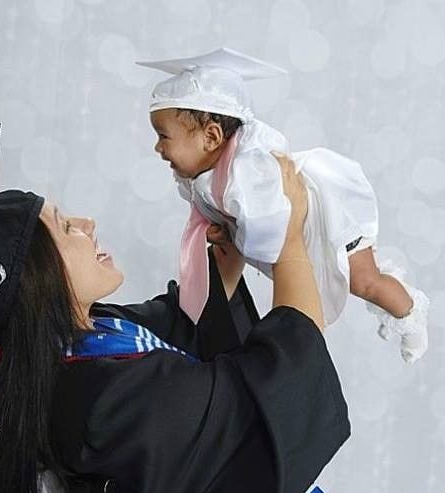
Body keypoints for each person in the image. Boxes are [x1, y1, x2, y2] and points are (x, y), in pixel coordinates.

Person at [0, 126, 349, 493]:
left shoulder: (85, 342)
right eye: (65, 227)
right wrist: (291, 241)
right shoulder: (100, 406)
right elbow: (266, 388)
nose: (87, 224)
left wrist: (222, 261)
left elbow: (182, 330)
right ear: (38, 281)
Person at [138, 48, 429, 364]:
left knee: (364, 281)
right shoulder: (205, 175)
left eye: (163, 136)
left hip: (331, 220)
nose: (157, 147)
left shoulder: (249, 171)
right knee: (344, 283)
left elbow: (270, 231)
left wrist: (238, 236)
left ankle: (410, 310)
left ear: (211, 136)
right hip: (304, 238)